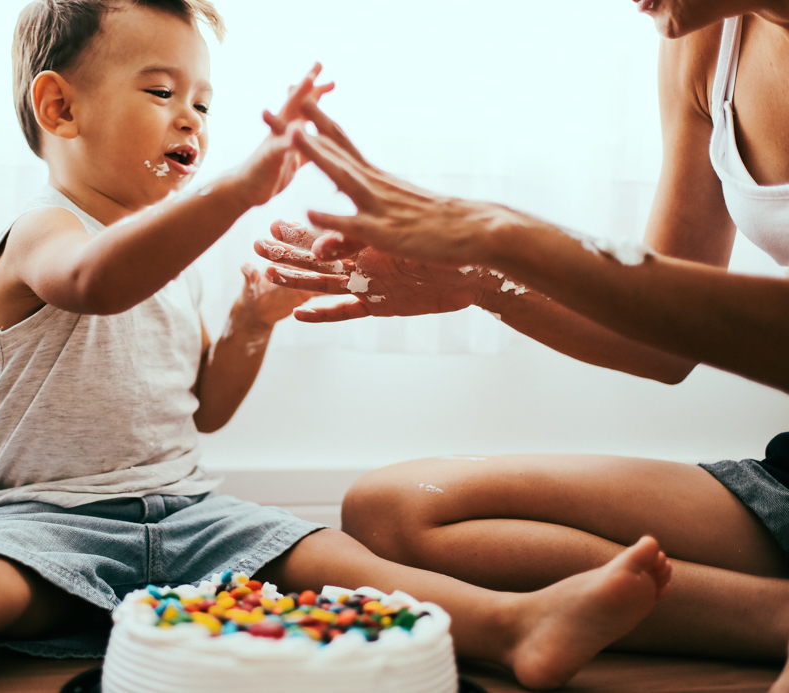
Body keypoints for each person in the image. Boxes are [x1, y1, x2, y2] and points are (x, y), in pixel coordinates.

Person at [0, 2, 677, 692]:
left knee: (334, 558)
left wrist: (250, 322)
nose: (192, 118)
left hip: (188, 515)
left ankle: (518, 623)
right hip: (43, 517)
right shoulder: (42, 231)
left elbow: (204, 407)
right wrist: (231, 193)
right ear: (59, 108)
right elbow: (96, 281)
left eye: (202, 100)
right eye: (161, 92)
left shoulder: (177, 263)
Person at [254, 0, 789, 687]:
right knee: (393, 510)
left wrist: (502, 233)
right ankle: (775, 615)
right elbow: (661, 343)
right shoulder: (705, 41)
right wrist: (483, 278)